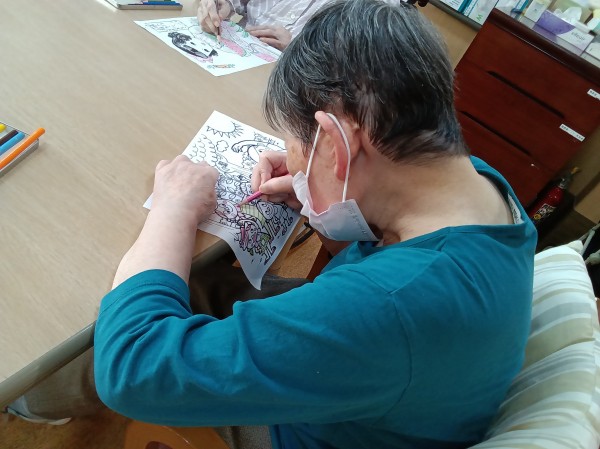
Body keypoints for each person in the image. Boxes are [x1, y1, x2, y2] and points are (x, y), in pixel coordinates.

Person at [7, 1, 537, 448]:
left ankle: (30, 401)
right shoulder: (475, 184)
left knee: (114, 326)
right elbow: (384, 251)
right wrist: (320, 190)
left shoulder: (393, 305)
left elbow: (133, 371)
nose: (296, 163)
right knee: (199, 280)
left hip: (304, 429)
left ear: (337, 147)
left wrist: (174, 207)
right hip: (384, 381)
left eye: (300, 148)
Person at [196, 0, 337, 50]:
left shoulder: (347, 9)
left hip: (288, 76)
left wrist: (297, 48)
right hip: (232, 42)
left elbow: (341, 68)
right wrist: (223, 3)